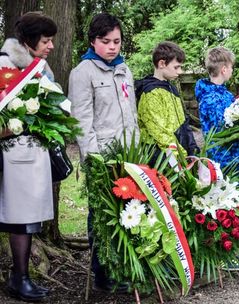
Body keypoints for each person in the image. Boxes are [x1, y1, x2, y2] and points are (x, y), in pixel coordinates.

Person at [69, 13, 138, 292]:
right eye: (105, 41)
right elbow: (82, 122)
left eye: (117, 41)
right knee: (102, 215)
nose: (112, 47)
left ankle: (125, 267)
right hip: (102, 157)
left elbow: (130, 114)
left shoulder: (124, 69)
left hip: (129, 156)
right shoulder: (82, 73)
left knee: (128, 212)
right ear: (92, 41)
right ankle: (103, 273)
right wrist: (95, 160)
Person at [0, 11, 56, 301]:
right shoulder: (5, 65)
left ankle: (21, 278)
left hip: (31, 154)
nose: (50, 46)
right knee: (18, 218)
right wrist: (15, 124)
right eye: (45, 40)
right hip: (12, 154)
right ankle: (18, 279)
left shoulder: (42, 68)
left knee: (27, 219)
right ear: (28, 40)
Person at [195, 47, 239, 271]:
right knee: (227, 208)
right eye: (231, 67)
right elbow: (224, 128)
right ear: (223, 68)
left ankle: (230, 250)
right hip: (225, 158)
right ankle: (225, 254)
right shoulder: (211, 97)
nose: (232, 71)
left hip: (237, 157)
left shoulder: (225, 94)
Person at [136, 41, 198, 162]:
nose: (180, 72)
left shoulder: (171, 88)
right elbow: (160, 132)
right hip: (162, 157)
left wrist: (192, 148)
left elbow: (183, 121)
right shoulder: (151, 93)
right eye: (176, 67)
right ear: (162, 63)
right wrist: (181, 156)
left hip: (179, 154)